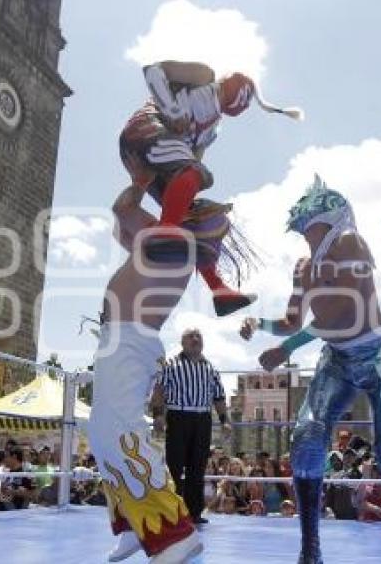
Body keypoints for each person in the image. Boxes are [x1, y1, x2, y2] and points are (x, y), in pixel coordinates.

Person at [240, 175, 381, 563]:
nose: (306, 236)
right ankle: (310, 551)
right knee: (306, 438)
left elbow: (340, 310)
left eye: (311, 227)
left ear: (333, 219)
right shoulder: (304, 267)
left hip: (376, 352)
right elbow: (292, 320)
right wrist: (260, 325)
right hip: (337, 357)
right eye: (302, 231)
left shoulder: (351, 243)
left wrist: (285, 347)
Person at [83, 184, 228, 563]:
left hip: (127, 342)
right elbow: (122, 225)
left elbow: (122, 209)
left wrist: (147, 173)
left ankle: (172, 533)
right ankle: (134, 524)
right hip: (123, 341)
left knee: (118, 432)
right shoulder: (165, 246)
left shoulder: (173, 243)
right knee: (102, 435)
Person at [120, 61, 301, 316]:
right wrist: (171, 109)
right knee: (197, 174)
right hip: (146, 129)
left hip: (158, 157)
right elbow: (152, 71)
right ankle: (167, 229)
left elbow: (190, 166)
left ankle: (218, 289)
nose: (244, 103)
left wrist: (185, 205)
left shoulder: (211, 131)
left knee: (201, 219)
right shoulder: (202, 76)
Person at [150, 327, 231, 525]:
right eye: (191, 336)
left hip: (203, 419)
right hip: (178, 416)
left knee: (198, 467)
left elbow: (219, 396)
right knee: (174, 465)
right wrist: (159, 415)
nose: (195, 339)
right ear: (182, 343)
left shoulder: (210, 368)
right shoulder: (171, 365)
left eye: (198, 336)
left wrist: (225, 420)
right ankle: (172, 511)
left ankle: (194, 513)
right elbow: (159, 391)